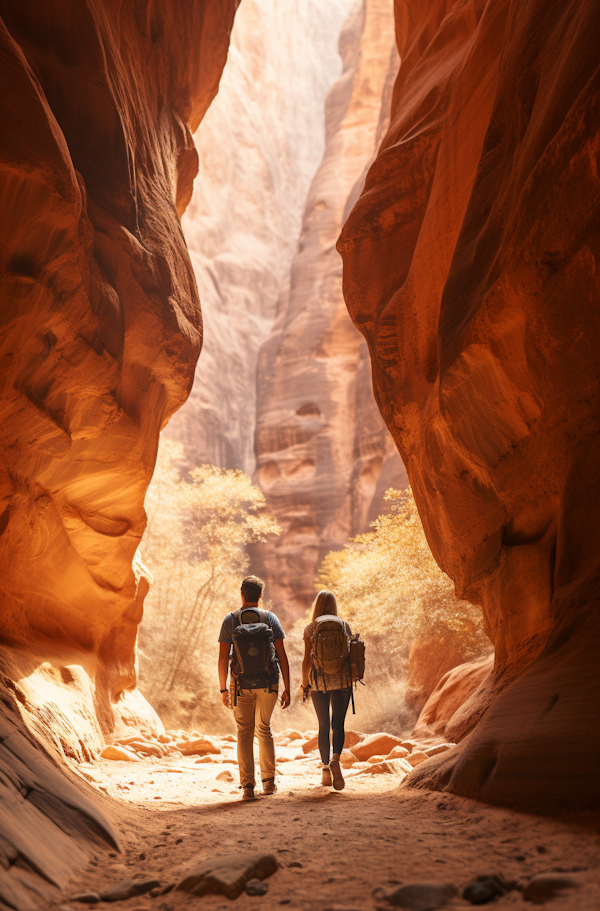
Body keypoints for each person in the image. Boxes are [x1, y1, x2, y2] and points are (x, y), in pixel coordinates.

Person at [218, 575, 291, 800]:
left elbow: (222, 659)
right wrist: (287, 687)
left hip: (240, 684)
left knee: (244, 732)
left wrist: (223, 689)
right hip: (269, 682)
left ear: (241, 594)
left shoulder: (230, 620)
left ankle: (248, 786)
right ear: (260, 596)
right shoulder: (270, 618)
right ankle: (269, 783)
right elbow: (281, 655)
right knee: (264, 729)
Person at [301, 589, 352, 791]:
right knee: (338, 724)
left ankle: (324, 770)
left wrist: (304, 683)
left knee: (323, 725)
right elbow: (349, 655)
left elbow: (306, 659)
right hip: (342, 681)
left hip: (319, 682)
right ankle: (336, 760)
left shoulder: (310, 628)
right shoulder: (344, 626)